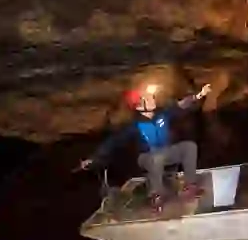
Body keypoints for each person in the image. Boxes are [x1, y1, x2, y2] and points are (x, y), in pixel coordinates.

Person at [79, 82, 212, 207]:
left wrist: (199, 95)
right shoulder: (134, 125)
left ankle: (190, 187)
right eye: (147, 99)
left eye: (151, 98)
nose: (152, 100)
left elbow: (180, 105)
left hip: (166, 153)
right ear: (139, 107)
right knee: (156, 157)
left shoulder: (162, 115)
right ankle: (156, 195)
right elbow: (113, 142)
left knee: (189, 146)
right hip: (146, 158)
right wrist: (94, 158)